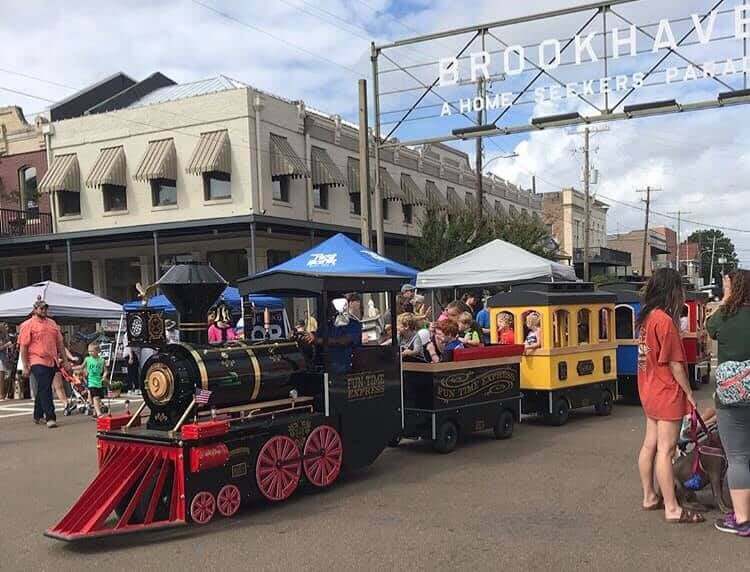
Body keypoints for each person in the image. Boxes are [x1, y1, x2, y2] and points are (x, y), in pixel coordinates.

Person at [635, 268, 702, 524]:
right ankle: (672, 508)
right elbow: (675, 365)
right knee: (667, 449)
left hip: (649, 389)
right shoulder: (665, 321)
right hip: (666, 391)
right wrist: (690, 394)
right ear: (672, 291)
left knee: (650, 445)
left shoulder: (646, 318)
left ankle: (649, 496)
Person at [706, 270, 750, 536]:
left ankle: (743, 519)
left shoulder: (724, 316)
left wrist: (726, 299)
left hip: (731, 400)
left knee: (738, 458)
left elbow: (708, 329)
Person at [18, 299, 69, 428]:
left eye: (45, 308)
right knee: (46, 387)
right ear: (35, 310)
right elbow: (23, 346)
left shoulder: (52, 324)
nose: (44, 310)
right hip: (37, 360)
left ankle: (37, 415)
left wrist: (66, 361)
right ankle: (50, 417)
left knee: (43, 388)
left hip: (52, 360)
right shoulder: (27, 324)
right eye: (41, 308)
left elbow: (60, 344)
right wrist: (25, 365)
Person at [80, 343, 107, 418]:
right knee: (96, 397)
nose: (90, 353)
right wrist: (75, 370)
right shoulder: (87, 359)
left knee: (98, 397)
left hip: (99, 381)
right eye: (89, 351)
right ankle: (99, 413)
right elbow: (82, 366)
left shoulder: (102, 360)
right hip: (91, 381)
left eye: (92, 351)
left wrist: (104, 376)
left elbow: (105, 370)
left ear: (98, 351)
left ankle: (95, 412)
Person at [0, 324, 12, 401]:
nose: (5, 327)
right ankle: (1, 394)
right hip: (1, 359)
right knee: (1, 377)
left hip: (4, 359)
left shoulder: (4, 336)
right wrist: (6, 345)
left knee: (4, 377)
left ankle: (3, 394)